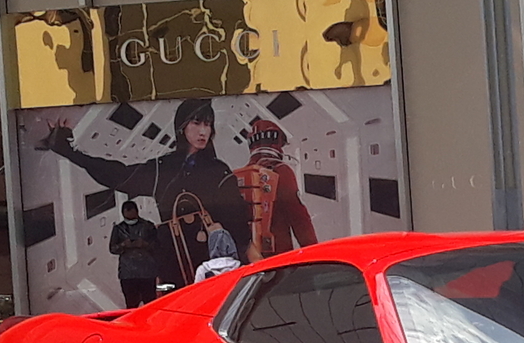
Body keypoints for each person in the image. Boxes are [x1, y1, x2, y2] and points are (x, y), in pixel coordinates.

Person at [37, 97, 254, 256]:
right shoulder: (163, 168)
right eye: (196, 123)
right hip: (175, 263)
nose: (203, 131)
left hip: (216, 263)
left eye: (207, 124)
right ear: (182, 126)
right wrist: (69, 151)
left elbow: (238, 224)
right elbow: (118, 175)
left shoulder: (218, 170)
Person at [231, 118, 315, 259]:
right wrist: (314, 254)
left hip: (250, 256)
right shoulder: (281, 171)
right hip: (278, 256)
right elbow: (299, 219)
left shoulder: (241, 174)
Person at [109, 200, 162, 307]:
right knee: (131, 304)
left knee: (150, 303)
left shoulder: (148, 226)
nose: (129, 218)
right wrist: (123, 245)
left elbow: (158, 245)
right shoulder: (118, 229)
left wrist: (144, 244)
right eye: (127, 215)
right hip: (127, 273)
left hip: (146, 272)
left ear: (137, 212)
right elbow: (112, 248)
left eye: (131, 214)